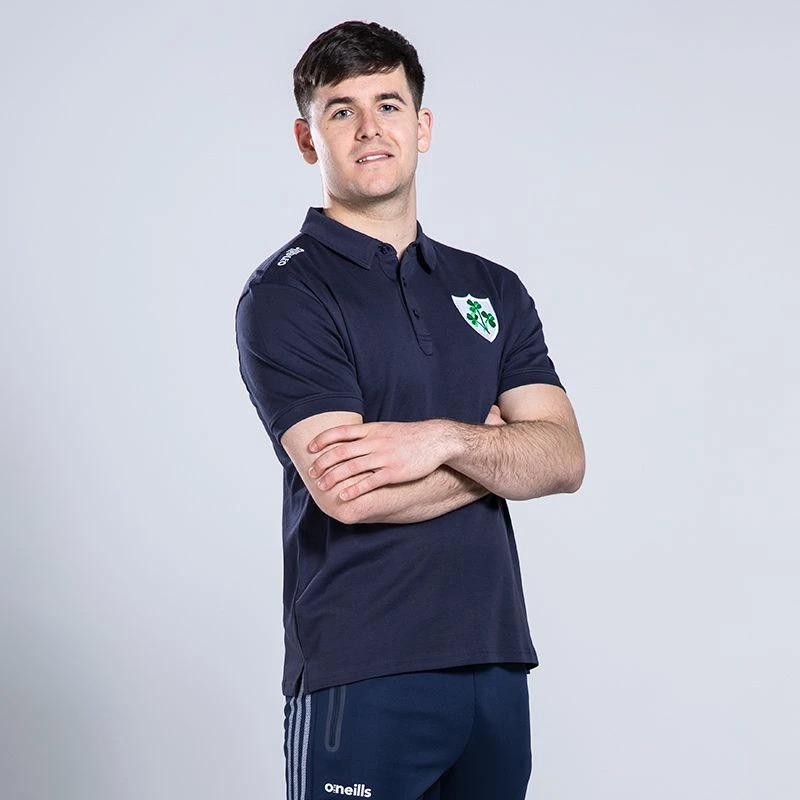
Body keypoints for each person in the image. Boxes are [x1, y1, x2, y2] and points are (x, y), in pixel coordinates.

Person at [235, 20, 585, 800]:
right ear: (307, 139)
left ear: (421, 127)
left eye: (388, 105)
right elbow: (348, 492)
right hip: (362, 670)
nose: (369, 128)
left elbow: (565, 459)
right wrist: (499, 454)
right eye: (341, 110)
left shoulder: (490, 288)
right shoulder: (288, 293)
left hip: (495, 663)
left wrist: (441, 440)